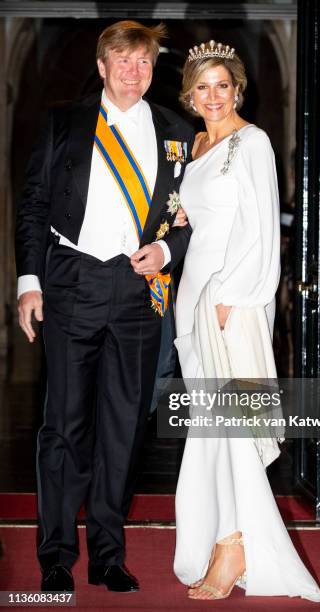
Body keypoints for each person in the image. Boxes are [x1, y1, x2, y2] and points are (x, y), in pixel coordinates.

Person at [15, 20, 194, 593]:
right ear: (101, 67)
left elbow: (196, 218)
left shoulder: (177, 131)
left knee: (122, 426)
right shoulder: (64, 122)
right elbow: (34, 204)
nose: (133, 73)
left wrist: (167, 248)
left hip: (138, 292)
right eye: (123, 61)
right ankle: (57, 556)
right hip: (70, 283)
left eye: (143, 63)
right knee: (63, 426)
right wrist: (28, 282)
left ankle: (110, 555)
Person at [172, 40, 320, 602]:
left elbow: (261, 226)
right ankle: (216, 537)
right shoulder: (196, 145)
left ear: (237, 89)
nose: (213, 96)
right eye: (202, 87)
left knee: (235, 426)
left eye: (222, 85)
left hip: (229, 302)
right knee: (209, 428)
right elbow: (202, 222)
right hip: (192, 299)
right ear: (190, 94)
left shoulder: (252, 141)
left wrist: (234, 296)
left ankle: (235, 546)